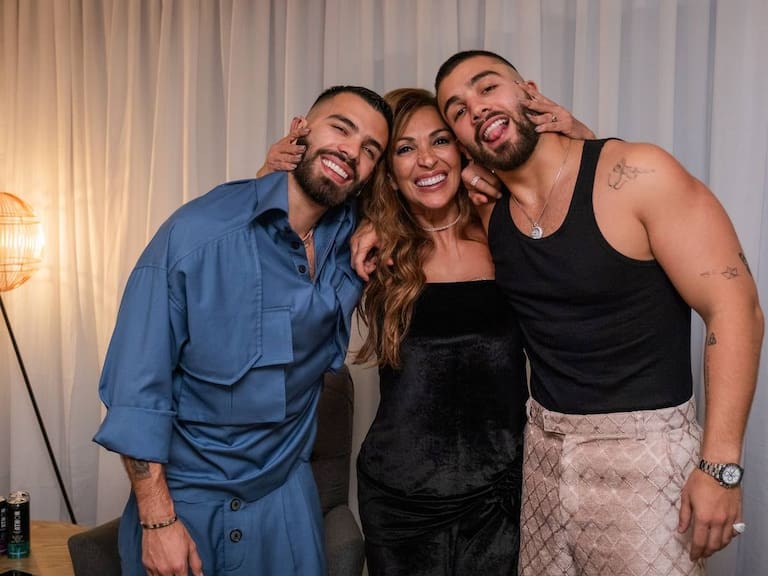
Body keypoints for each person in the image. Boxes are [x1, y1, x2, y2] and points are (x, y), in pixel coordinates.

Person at [429, 50, 764, 575]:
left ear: (529, 92)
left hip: (648, 459)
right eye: (457, 110)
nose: (476, 108)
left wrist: (720, 467)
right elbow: (415, 216)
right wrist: (369, 226)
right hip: (544, 459)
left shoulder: (637, 174)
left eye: (487, 87)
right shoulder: (489, 210)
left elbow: (735, 308)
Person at [263, 87, 593, 575]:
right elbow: (272, 250)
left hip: (501, 495)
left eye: (440, 140)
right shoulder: (368, 250)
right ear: (389, 173)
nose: (426, 160)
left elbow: (591, 230)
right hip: (400, 504)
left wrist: (580, 137)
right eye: (404, 148)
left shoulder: (506, 229)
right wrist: (272, 172)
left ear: (462, 151)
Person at [93, 85, 392, 576]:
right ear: (299, 129)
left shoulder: (352, 240)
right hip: (186, 503)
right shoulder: (196, 234)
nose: (350, 152)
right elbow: (136, 389)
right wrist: (157, 520)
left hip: (284, 499)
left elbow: (430, 186)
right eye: (341, 128)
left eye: (369, 150)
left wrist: (381, 221)